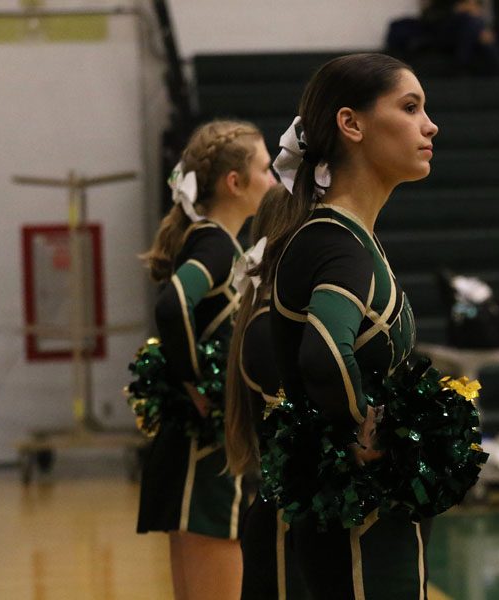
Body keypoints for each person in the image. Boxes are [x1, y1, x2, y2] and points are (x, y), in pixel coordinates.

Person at [255, 53, 438, 599]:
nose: (430, 125)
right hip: (356, 523)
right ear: (351, 124)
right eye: (410, 107)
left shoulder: (346, 237)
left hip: (364, 515)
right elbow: (321, 353)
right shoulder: (335, 242)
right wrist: (363, 427)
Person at [138, 119, 274, 600]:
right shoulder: (215, 243)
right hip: (208, 455)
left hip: (201, 451)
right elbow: (171, 304)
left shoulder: (218, 242)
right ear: (234, 183)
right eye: (265, 169)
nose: (275, 179)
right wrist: (196, 381)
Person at [225, 184, 311, 599]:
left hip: (301, 522)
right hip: (282, 527)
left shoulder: (283, 319)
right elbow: (309, 428)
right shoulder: (265, 327)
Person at [421, 0, 499, 75]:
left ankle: (463, 65)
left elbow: (483, 15)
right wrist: (456, 9)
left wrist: (484, 29)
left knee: (474, 25)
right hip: (445, 30)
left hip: (474, 31)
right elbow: (430, 15)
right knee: (471, 22)